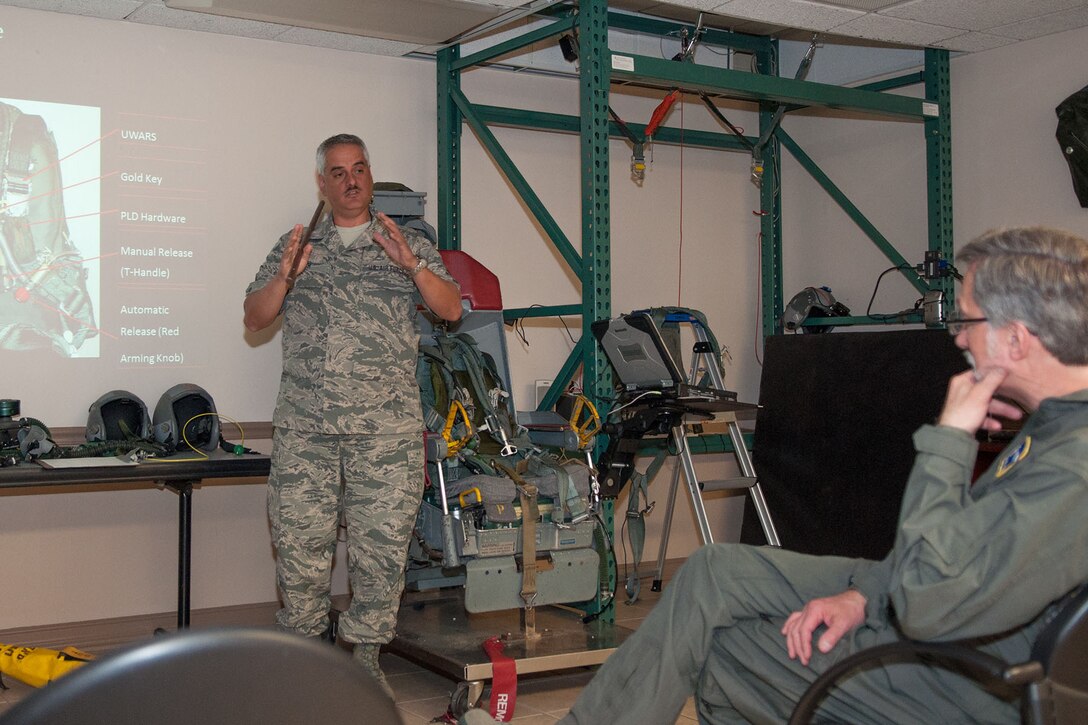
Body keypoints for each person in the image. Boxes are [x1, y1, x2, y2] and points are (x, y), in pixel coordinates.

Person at [553, 226, 1088, 724]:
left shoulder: (1073, 467)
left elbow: (927, 602)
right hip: (956, 616)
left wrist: (949, 441)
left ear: (1016, 340)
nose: (959, 341)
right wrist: (867, 592)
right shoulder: (1061, 426)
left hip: (970, 678)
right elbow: (966, 552)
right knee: (716, 573)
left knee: (725, 653)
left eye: (967, 323)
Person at [244, 133, 461, 695]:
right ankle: (306, 659)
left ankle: (365, 661)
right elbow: (255, 316)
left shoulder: (402, 240)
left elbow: (451, 308)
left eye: (359, 168)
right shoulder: (298, 245)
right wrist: (285, 277)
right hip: (306, 432)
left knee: (380, 552)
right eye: (337, 172)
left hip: (382, 434)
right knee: (298, 549)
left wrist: (412, 266)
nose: (351, 180)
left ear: (370, 173)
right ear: (322, 183)